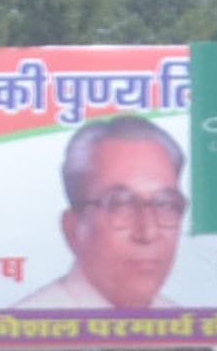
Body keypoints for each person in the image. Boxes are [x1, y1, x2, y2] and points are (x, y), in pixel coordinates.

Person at [11, 117, 189, 312]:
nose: (148, 232)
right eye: (121, 205)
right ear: (72, 229)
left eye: (165, 205)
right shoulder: (22, 327)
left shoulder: (191, 327)